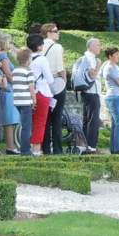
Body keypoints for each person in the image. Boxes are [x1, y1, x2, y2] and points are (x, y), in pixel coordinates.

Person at [0, 42, 21, 154]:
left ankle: (11, 145)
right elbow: (8, 74)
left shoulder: (2, 56)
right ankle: (10, 146)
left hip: (8, 88)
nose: (12, 44)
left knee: (11, 117)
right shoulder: (3, 56)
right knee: (9, 118)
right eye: (11, 42)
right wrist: (19, 85)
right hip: (7, 89)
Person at [40, 23, 66, 155]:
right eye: (56, 31)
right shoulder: (57, 47)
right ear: (48, 33)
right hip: (56, 81)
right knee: (57, 118)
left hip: (43, 84)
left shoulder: (40, 46)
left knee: (45, 117)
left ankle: (45, 148)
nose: (58, 33)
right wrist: (65, 80)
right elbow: (61, 68)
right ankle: (57, 149)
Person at [74, 38, 103, 154]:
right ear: (91, 47)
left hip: (86, 92)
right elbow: (92, 74)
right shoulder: (91, 58)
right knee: (93, 120)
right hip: (92, 92)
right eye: (98, 45)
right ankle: (91, 146)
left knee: (87, 119)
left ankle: (86, 145)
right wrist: (98, 65)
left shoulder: (84, 58)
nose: (100, 47)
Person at [27, 34, 54, 156]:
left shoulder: (25, 58)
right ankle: (36, 148)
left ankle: (28, 145)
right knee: (40, 121)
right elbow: (49, 79)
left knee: (29, 120)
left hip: (28, 92)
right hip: (41, 92)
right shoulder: (42, 59)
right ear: (38, 46)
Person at [102, 46, 119, 154]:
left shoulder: (116, 67)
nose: (118, 56)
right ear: (110, 56)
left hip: (117, 96)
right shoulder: (109, 68)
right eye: (116, 54)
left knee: (116, 122)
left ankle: (114, 148)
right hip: (113, 97)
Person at [12, 47, 37, 156]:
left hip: (17, 101)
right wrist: (34, 99)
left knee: (25, 124)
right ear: (28, 59)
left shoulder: (15, 70)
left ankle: (24, 148)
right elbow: (31, 86)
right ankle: (25, 149)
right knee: (27, 127)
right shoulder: (28, 71)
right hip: (26, 100)